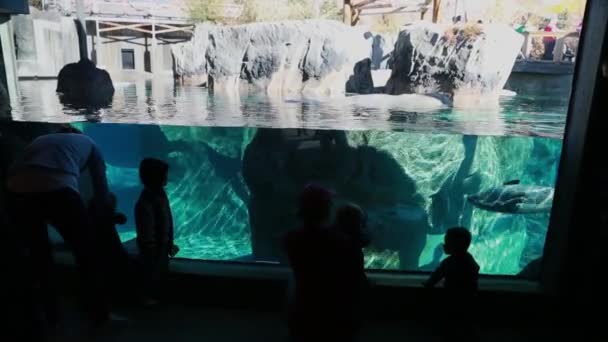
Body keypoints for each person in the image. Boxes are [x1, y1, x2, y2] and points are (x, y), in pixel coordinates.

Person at [5, 124, 114, 333]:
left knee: (38, 254)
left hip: (15, 191)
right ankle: (99, 313)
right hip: (59, 188)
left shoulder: (39, 141)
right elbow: (101, 186)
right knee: (86, 253)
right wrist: (102, 214)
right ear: (76, 133)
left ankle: (49, 314)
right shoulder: (89, 142)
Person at [283, 185, 363, 342]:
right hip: (336, 314)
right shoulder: (342, 242)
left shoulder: (290, 238)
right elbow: (356, 277)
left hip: (302, 311)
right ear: (327, 209)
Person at [135, 158, 179, 305]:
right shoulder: (146, 201)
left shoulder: (160, 194)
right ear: (157, 178)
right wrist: (150, 247)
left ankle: (155, 295)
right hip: (152, 248)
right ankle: (145, 298)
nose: (167, 178)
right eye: (164, 175)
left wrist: (169, 242)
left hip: (161, 246)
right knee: (149, 273)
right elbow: (146, 228)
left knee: (159, 273)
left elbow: (168, 219)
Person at [424, 227, 480, 342]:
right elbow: (476, 268)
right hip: (468, 297)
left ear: (455, 246)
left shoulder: (448, 262)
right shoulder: (469, 259)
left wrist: (429, 284)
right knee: (465, 319)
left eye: (447, 243)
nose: (444, 245)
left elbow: (437, 275)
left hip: (451, 296)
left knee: (449, 317)